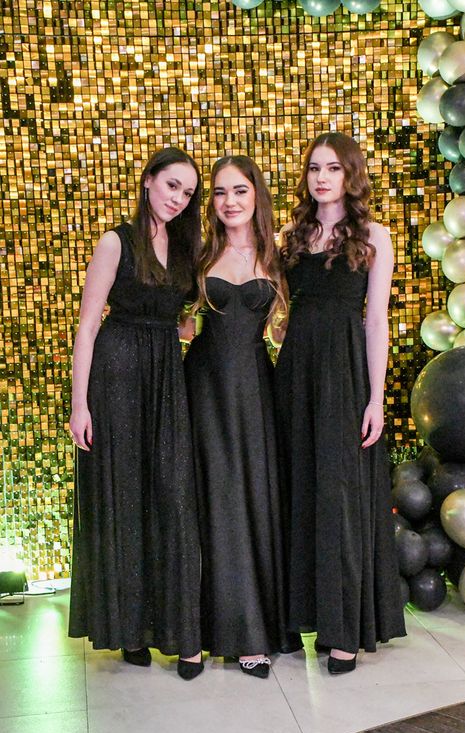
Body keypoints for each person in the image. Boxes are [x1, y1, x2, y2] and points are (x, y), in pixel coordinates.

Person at [68, 147, 204, 680]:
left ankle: (175, 628)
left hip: (167, 375)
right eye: (171, 185)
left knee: (170, 495)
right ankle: (130, 630)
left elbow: (181, 321)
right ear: (148, 181)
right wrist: (80, 404)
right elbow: (87, 326)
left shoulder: (187, 248)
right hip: (117, 373)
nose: (178, 198)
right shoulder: (115, 242)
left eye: (188, 192)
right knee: (124, 497)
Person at [275, 132, 406, 675]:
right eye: (314, 168)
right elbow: (277, 309)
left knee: (340, 497)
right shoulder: (289, 235)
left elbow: (376, 321)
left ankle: (343, 629)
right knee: (297, 490)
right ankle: (297, 618)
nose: (322, 177)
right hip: (294, 372)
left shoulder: (374, 235)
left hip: (346, 373)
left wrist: (375, 397)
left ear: (351, 174)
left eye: (332, 168)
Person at [184, 155, 301, 679]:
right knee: (216, 504)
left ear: (257, 196)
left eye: (239, 190)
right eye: (219, 192)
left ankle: (258, 629)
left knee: (253, 503)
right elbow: (182, 324)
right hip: (203, 388)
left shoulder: (278, 256)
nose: (229, 201)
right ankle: (213, 632)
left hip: (256, 391)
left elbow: (282, 330)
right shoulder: (198, 253)